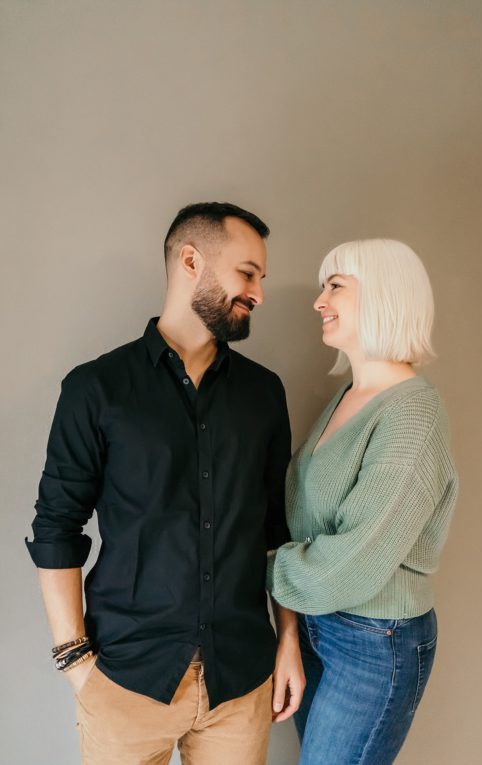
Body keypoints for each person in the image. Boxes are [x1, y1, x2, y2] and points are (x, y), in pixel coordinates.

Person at [27, 202, 304, 764]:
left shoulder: (263, 394)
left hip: (240, 681)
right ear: (191, 260)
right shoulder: (96, 389)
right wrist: (75, 661)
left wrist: (288, 643)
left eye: (261, 279)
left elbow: (279, 530)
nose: (259, 293)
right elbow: (57, 524)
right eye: (247, 273)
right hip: (126, 680)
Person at [266, 238, 458, 764]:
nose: (318, 302)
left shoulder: (412, 414)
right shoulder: (350, 396)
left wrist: (260, 566)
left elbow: (355, 558)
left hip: (374, 641)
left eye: (335, 286)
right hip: (316, 621)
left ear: (384, 296)